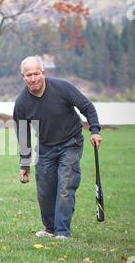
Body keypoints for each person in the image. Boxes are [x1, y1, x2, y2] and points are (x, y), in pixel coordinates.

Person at [13, 56, 102, 239]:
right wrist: (24, 165)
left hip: (71, 143)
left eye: (36, 73)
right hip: (45, 147)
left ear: (43, 73)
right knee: (45, 192)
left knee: (65, 187)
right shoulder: (21, 102)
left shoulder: (62, 87)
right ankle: (50, 228)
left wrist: (94, 130)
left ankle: (62, 232)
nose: (33, 78)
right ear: (23, 77)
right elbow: (23, 135)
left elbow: (87, 107)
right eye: (28, 75)